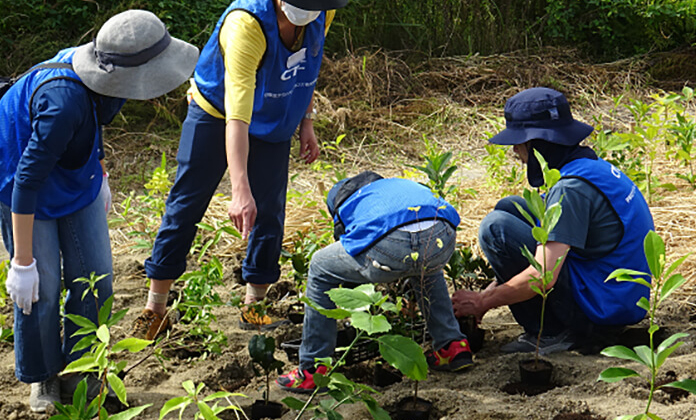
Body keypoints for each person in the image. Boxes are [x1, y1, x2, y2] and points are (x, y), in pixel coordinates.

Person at [0, 10, 198, 413]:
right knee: (40, 291)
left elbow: (92, 121)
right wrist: (23, 264)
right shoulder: (61, 101)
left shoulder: (105, 73)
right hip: (20, 178)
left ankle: (83, 369)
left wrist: (98, 170)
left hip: (71, 172)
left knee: (96, 279)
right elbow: (27, 181)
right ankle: (43, 375)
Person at [132, 0, 349, 338]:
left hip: (275, 117)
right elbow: (236, 115)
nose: (308, 6)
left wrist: (307, 122)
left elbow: (307, 66)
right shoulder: (246, 24)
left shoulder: (323, 9)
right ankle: (155, 307)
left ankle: (254, 307)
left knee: (270, 212)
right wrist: (238, 189)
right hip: (217, 115)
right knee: (186, 206)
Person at [452, 87, 655, 354]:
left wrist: (484, 301)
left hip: (604, 309)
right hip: (618, 291)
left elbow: (543, 276)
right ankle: (553, 325)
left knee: (496, 229)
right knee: (510, 207)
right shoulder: (588, 166)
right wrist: (493, 289)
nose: (515, 150)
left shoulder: (569, 189)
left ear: (539, 143)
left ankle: (551, 333)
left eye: (519, 142)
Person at [276, 171, 474, 393]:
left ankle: (313, 369)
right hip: (443, 233)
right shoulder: (395, 186)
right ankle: (452, 345)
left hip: (392, 245)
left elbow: (352, 250)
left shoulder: (346, 205)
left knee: (320, 266)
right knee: (427, 265)